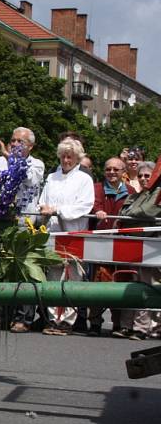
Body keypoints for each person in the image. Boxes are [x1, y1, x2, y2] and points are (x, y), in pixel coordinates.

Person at [0, 127, 45, 333]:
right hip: (2, 219)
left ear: (30, 146)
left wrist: (8, 155)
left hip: (25, 222)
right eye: (12, 140)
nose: (14, 144)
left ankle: (23, 318)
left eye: (19, 142)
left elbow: (28, 178)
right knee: (1, 269)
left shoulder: (37, 164)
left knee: (23, 270)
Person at [37, 138, 95, 336]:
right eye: (63, 156)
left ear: (77, 158)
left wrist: (59, 210)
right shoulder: (52, 177)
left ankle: (67, 320)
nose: (66, 160)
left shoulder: (84, 179)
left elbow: (84, 205)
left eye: (69, 156)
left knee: (72, 274)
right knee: (53, 273)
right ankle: (54, 318)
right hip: (53, 231)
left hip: (73, 231)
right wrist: (45, 209)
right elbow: (43, 200)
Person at [88, 157, 135, 336]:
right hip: (101, 243)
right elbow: (95, 206)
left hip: (124, 242)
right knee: (99, 282)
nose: (112, 172)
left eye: (116, 169)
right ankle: (95, 323)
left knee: (122, 282)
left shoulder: (130, 191)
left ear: (123, 172)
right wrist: (97, 211)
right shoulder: (97, 189)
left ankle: (119, 324)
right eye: (108, 169)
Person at [113, 161, 159, 340]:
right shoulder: (134, 196)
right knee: (129, 286)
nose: (143, 179)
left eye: (147, 175)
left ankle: (141, 327)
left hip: (150, 246)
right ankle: (126, 325)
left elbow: (147, 212)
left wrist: (127, 216)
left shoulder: (157, 195)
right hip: (131, 244)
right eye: (140, 175)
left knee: (145, 286)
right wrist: (127, 216)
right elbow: (124, 212)